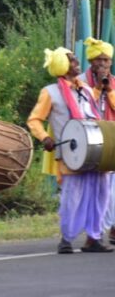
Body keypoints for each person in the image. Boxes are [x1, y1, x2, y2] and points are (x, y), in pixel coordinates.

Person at [27, 47, 114, 253]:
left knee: (99, 194)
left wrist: (106, 85)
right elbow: (34, 119)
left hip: (95, 150)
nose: (77, 63)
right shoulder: (50, 92)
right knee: (72, 197)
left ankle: (94, 238)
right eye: (73, 61)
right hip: (72, 153)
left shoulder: (84, 89)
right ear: (63, 65)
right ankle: (66, 239)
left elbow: (97, 110)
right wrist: (45, 137)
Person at [78, 38, 115, 246]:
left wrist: (108, 90)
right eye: (98, 59)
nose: (102, 64)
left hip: (112, 142)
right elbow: (84, 107)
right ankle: (92, 235)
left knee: (112, 192)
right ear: (91, 61)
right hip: (90, 142)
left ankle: (111, 230)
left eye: (106, 60)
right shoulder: (81, 83)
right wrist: (98, 89)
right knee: (94, 191)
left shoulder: (114, 83)